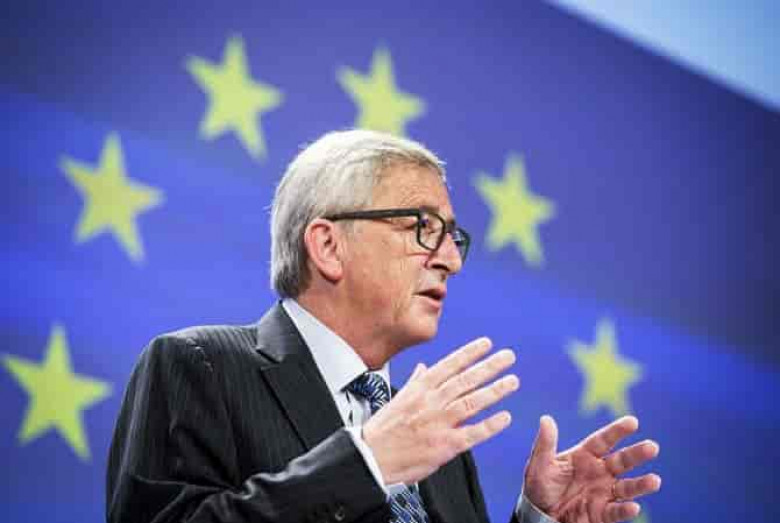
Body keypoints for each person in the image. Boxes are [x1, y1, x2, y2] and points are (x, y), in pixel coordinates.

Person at [107, 130, 661, 523]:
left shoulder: (435, 440)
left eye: (452, 236)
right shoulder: (200, 366)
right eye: (423, 227)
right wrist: (367, 464)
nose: (451, 260)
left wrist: (540, 519)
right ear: (328, 246)